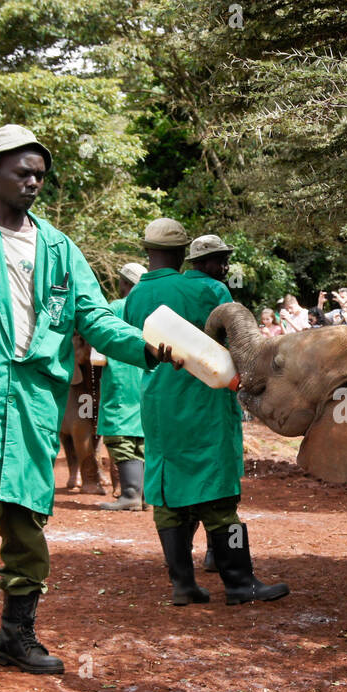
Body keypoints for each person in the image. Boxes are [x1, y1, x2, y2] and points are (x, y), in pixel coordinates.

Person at [0, 123, 168, 676]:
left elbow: (93, 317)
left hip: (34, 398)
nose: (33, 182)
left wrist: (145, 346)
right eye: (22, 171)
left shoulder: (59, 246)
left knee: (28, 520)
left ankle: (17, 635)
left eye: (40, 175)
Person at [124, 231, 289, 606]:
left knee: (167, 496)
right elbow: (240, 348)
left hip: (158, 406)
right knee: (219, 496)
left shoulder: (135, 296)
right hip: (205, 405)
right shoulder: (212, 291)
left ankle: (182, 585)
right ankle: (239, 583)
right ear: (184, 253)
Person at [97, 260, 151, 511]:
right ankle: (145, 496)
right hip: (150, 378)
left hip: (121, 378)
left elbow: (97, 343)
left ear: (124, 284)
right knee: (145, 433)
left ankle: (130, 494)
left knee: (120, 432)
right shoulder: (156, 308)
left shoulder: (113, 308)